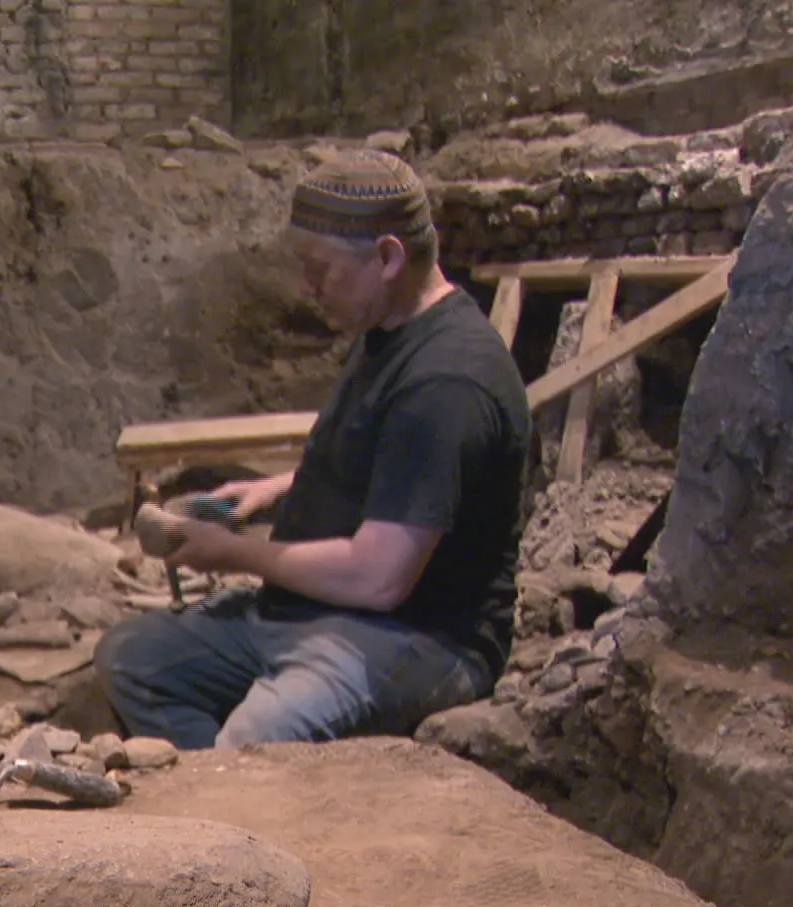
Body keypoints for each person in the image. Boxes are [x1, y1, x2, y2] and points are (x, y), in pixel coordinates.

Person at [94, 149, 530, 750]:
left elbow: (380, 577)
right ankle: (225, 804)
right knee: (134, 659)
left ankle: (246, 818)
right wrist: (274, 490)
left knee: (254, 740)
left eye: (319, 269)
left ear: (387, 257)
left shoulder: (447, 381)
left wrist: (232, 554)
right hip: (320, 613)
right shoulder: (388, 332)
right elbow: (386, 464)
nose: (308, 287)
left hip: (417, 637)